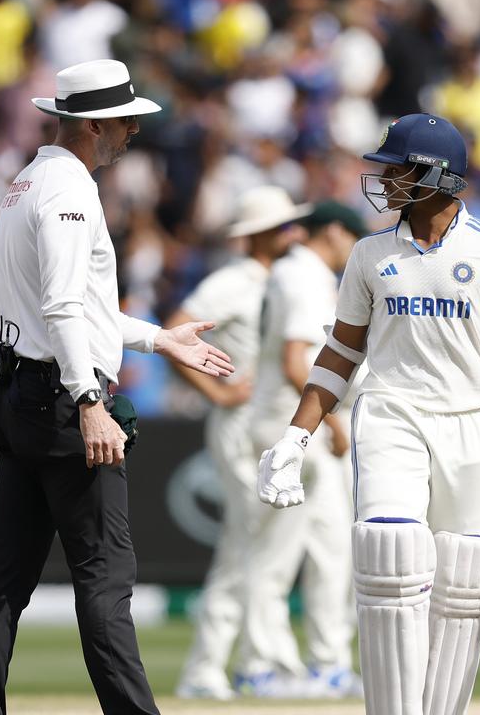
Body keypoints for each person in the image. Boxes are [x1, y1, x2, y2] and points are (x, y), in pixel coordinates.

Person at [256, 113, 480, 715]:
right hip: (390, 414)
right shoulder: (371, 255)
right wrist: (296, 437)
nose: (384, 179)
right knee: (389, 558)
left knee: (465, 580)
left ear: (434, 176)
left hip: (471, 422)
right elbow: (342, 350)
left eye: (396, 169)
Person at [0, 59, 234, 715]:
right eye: (125, 119)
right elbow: (61, 306)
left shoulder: (28, 181)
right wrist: (89, 401)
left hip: (19, 390)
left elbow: (71, 308)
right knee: (106, 579)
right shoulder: (68, 191)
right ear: (92, 125)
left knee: (5, 578)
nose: (134, 130)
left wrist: (157, 338)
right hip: (57, 398)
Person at [169, 185, 307, 700]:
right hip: (237, 426)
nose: (293, 233)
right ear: (260, 236)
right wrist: (218, 391)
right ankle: (253, 663)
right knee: (250, 543)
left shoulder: (287, 280)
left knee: (249, 545)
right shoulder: (230, 283)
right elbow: (173, 335)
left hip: (268, 425)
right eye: (283, 226)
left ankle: (216, 666)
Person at [237, 198, 366, 698]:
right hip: (290, 427)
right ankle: (260, 665)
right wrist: (330, 423)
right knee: (274, 553)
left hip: (304, 427)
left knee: (333, 550)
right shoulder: (301, 275)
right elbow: (298, 362)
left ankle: (328, 662)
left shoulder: (307, 275)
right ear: (334, 231)